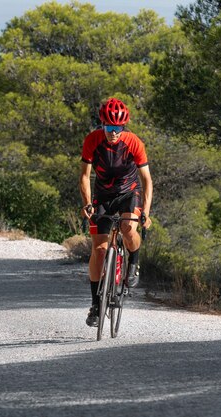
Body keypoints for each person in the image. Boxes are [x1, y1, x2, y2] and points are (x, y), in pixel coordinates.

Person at [79, 97, 153, 327]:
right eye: (109, 127)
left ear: (124, 127)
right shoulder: (92, 140)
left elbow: (147, 180)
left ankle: (134, 261)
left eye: (118, 128)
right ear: (102, 125)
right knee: (99, 249)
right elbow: (84, 176)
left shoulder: (134, 143)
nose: (113, 132)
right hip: (102, 195)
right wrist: (88, 202)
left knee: (128, 227)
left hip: (128, 193)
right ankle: (95, 304)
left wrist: (146, 213)